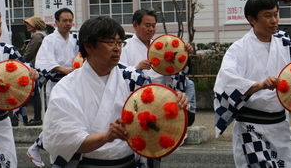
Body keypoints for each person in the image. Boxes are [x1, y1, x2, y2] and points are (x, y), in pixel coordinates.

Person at [42, 16, 188, 167]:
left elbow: (156, 117)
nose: (117, 48)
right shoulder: (66, 87)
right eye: (110, 42)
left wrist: (174, 103)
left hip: (129, 162)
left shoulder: (134, 79)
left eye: (119, 42)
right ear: (88, 46)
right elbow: (62, 140)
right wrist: (106, 137)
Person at [213, 0, 291, 167]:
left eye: (276, 14)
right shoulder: (238, 49)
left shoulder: (287, 45)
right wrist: (260, 85)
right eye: (268, 15)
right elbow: (227, 82)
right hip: (250, 125)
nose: (274, 20)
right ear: (252, 19)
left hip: (279, 124)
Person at [0, 6, 39, 168]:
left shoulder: (7, 51)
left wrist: (32, 73)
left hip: (0, 122)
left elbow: (24, 69)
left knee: (6, 163)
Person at [27, 8, 79, 167]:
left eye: (70, 20)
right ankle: (43, 151)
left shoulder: (75, 38)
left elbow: (83, 57)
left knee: (72, 121)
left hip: (74, 85)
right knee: (58, 120)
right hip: (57, 84)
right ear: (56, 23)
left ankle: (40, 148)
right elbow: (44, 62)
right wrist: (62, 69)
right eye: (64, 20)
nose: (68, 23)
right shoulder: (49, 40)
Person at [120, 9, 192, 91]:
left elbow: (176, 70)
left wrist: (184, 53)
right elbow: (119, 73)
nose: (151, 29)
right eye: (147, 26)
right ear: (135, 25)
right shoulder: (124, 46)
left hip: (162, 92)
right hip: (138, 93)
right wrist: (137, 68)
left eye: (153, 26)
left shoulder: (163, 45)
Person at [23, 16, 47, 126]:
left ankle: (37, 117)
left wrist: (20, 60)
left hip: (34, 68)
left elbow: (29, 54)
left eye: (29, 24)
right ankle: (37, 117)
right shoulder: (41, 35)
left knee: (36, 93)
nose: (27, 25)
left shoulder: (37, 37)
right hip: (38, 67)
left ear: (35, 25)